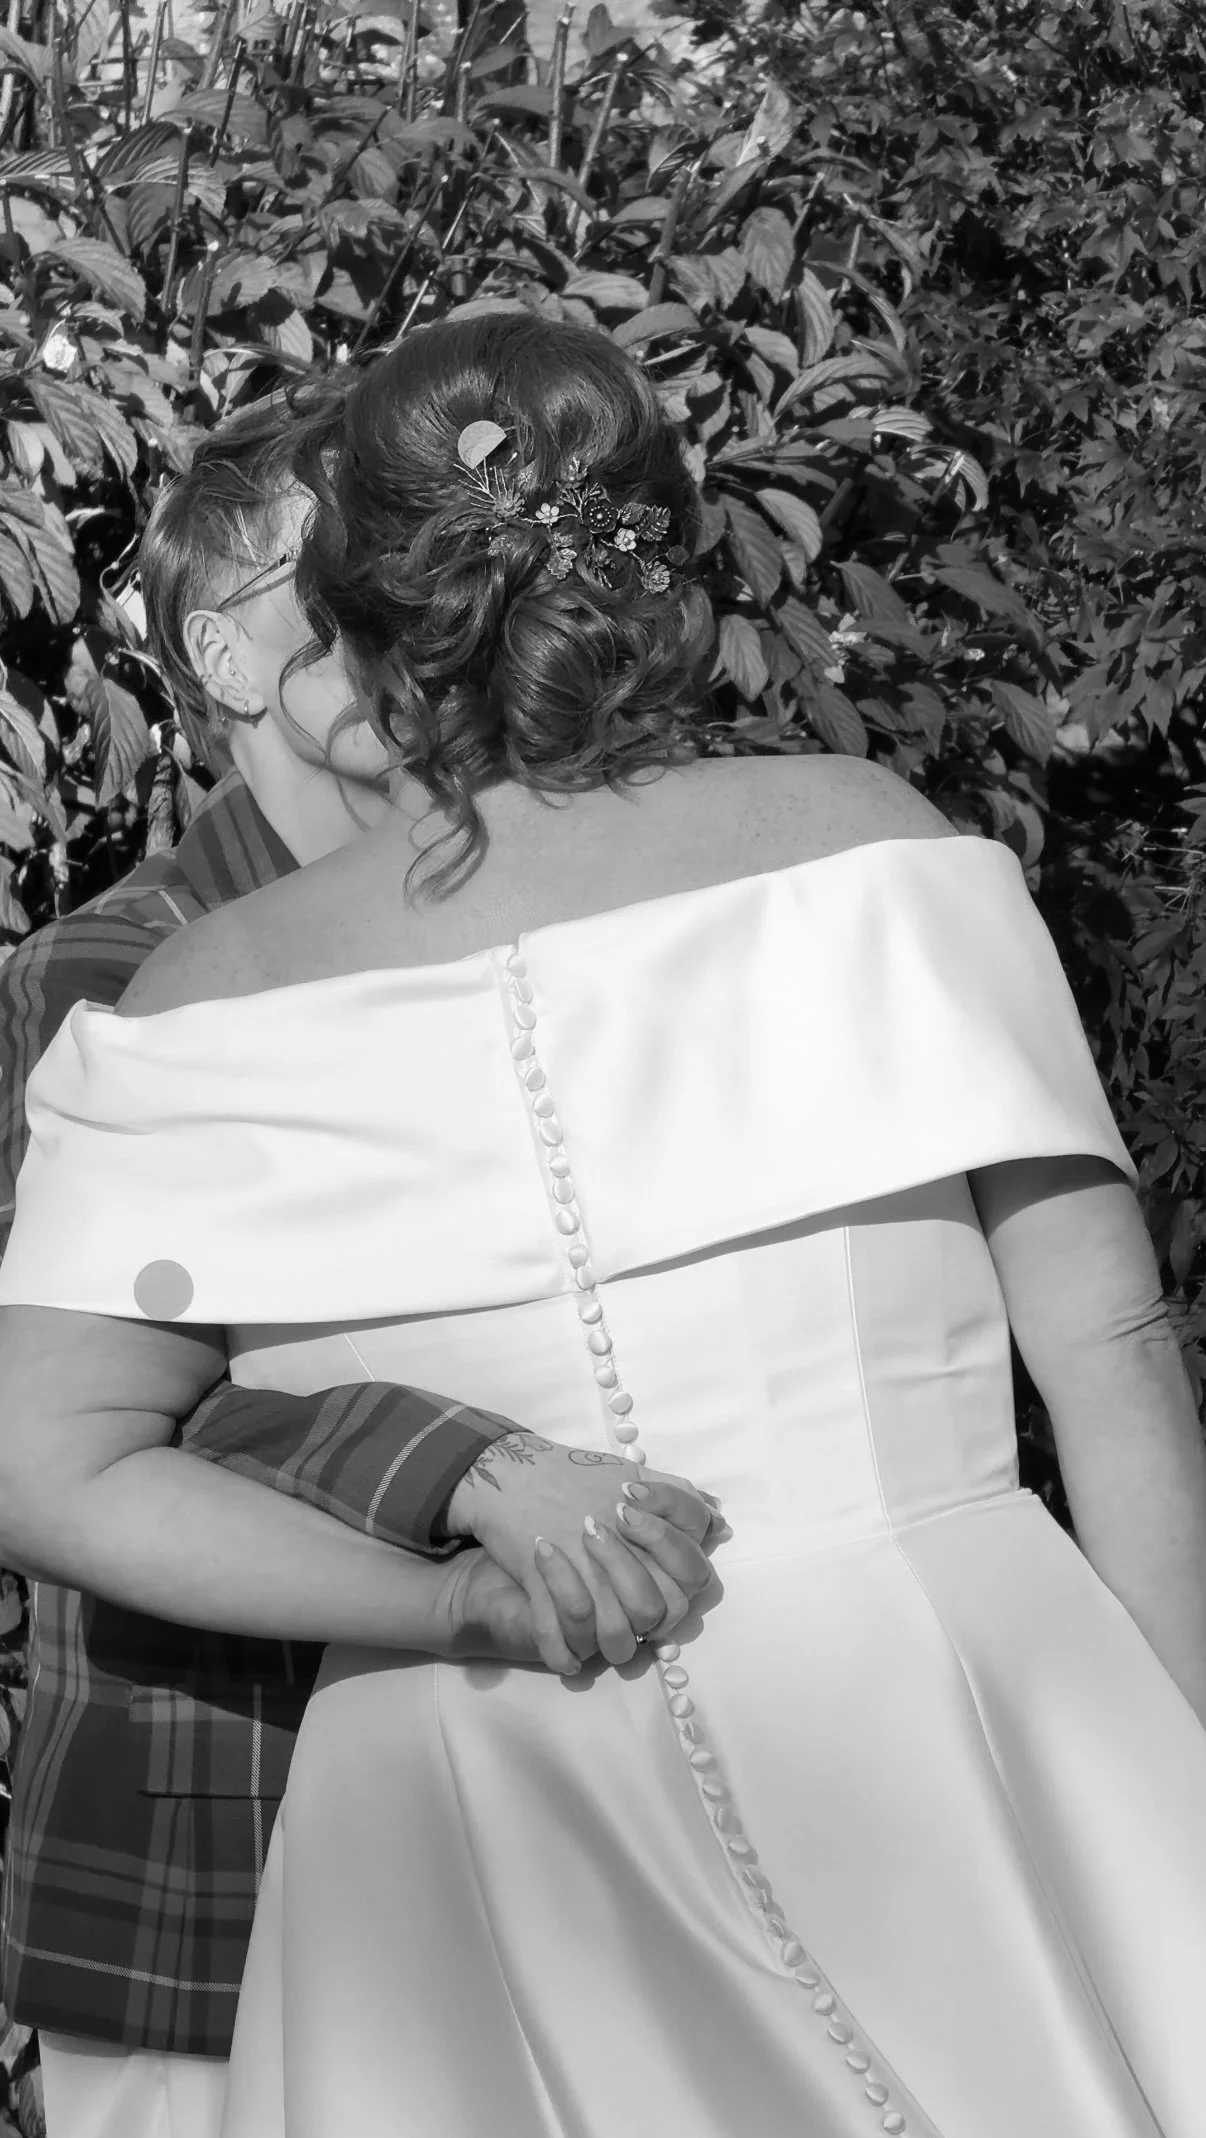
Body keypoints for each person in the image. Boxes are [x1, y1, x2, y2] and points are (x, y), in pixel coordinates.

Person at [1, 311, 1206, 2138]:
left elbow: (46, 1462)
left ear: (354, 612)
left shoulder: (194, 996)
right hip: (937, 1701)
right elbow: (1106, 1349)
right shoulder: (873, 846)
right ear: (675, 576)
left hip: (464, 1786)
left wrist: (442, 1604)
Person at [0, 382, 718, 2138]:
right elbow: (79, 1412)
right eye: (353, 598)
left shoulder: (521, 917)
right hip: (221, 1817)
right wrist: (470, 1463)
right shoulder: (115, 972)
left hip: (548, 1772)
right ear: (229, 659)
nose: (418, 633)